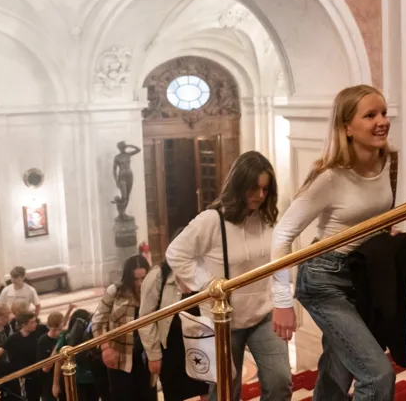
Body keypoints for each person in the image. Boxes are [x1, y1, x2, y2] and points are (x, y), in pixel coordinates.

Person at [271, 85, 400, 401]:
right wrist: (281, 301)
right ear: (347, 128)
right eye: (369, 115)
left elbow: (382, 214)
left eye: (383, 113)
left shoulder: (391, 161)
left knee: (337, 372)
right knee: (377, 376)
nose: (381, 121)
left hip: (362, 273)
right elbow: (282, 235)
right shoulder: (329, 176)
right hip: (324, 278)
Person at [166, 151, 292, 401]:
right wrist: (208, 284)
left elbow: (279, 262)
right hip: (223, 321)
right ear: (239, 185)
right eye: (254, 188)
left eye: (265, 190)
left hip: (262, 314)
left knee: (280, 382)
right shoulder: (212, 220)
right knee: (224, 393)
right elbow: (176, 253)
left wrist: (283, 301)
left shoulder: (267, 218)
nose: (260, 196)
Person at [138, 256, 209, 401]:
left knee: (208, 391)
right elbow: (146, 318)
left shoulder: (205, 270)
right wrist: (154, 354)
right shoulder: (158, 276)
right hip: (171, 348)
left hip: (201, 344)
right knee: (174, 393)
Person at [92, 255, 155, 401]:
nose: (139, 284)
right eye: (135, 279)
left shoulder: (153, 292)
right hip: (119, 357)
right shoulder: (115, 291)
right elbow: (98, 321)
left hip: (146, 358)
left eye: (143, 278)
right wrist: (105, 348)